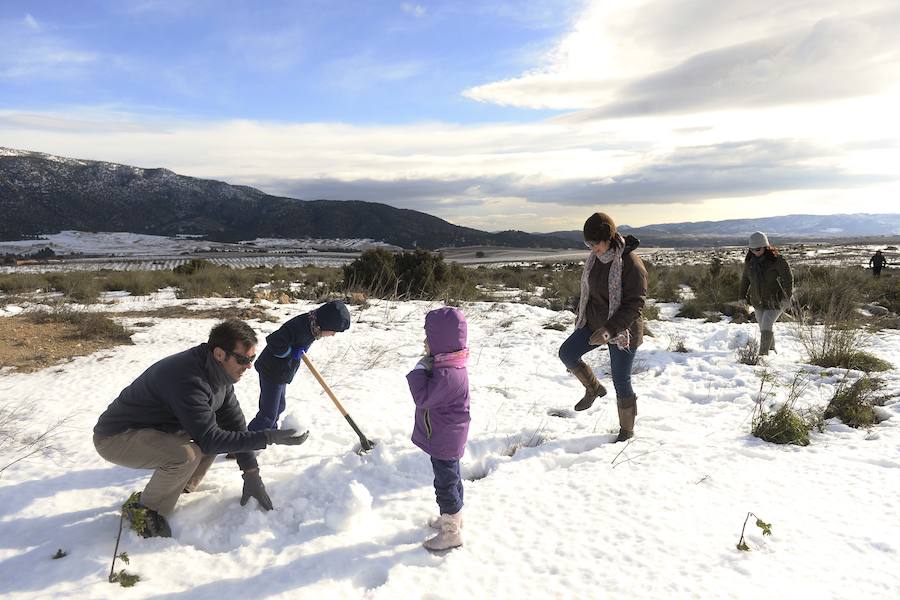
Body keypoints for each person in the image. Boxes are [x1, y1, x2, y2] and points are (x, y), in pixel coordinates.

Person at [93, 319, 308, 538]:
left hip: (157, 429)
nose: (249, 366)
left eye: (252, 359)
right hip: (116, 437)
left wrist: (251, 474)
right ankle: (145, 512)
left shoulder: (219, 374)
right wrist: (268, 437)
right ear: (220, 354)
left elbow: (234, 424)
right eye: (243, 359)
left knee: (213, 436)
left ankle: (179, 487)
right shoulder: (188, 379)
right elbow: (211, 440)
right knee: (186, 455)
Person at [558, 212, 648, 442]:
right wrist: (581, 313)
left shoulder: (631, 264)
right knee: (567, 353)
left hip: (623, 330)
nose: (592, 248)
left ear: (608, 238)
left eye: (595, 243)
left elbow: (635, 305)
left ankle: (626, 432)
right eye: (588, 244)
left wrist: (609, 330)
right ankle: (593, 388)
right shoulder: (595, 258)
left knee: (621, 380)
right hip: (594, 323)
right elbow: (591, 291)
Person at [407, 307, 471, 551]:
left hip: (444, 438)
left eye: (429, 338)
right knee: (452, 479)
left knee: (445, 485)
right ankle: (454, 517)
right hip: (447, 435)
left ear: (442, 342)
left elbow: (423, 398)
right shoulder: (450, 365)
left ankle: (451, 532)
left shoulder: (447, 374)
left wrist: (419, 369)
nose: (425, 342)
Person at [249, 300, 351, 432]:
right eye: (333, 331)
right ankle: (249, 441)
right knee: (268, 414)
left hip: (281, 373)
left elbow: (299, 343)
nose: (333, 335)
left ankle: (269, 434)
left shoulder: (313, 327)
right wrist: (290, 352)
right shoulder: (301, 326)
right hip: (271, 370)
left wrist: (297, 350)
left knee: (279, 407)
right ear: (326, 323)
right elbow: (274, 341)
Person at [739, 232, 793, 356]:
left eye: (758, 249)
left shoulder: (777, 260)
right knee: (763, 327)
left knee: (766, 325)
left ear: (765, 246)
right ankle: (772, 351)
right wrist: (741, 296)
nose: (755, 252)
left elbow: (788, 279)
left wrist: (786, 298)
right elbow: (745, 279)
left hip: (775, 301)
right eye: (752, 249)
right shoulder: (750, 261)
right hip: (758, 301)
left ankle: (763, 355)